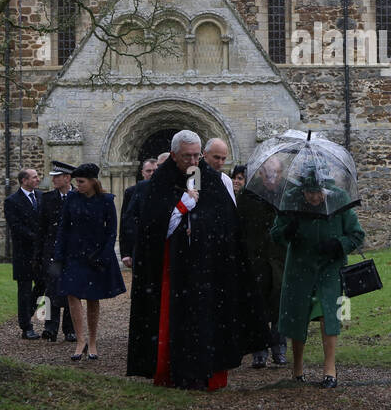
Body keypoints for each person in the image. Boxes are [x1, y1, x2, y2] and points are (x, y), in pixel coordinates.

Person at [126, 130, 266, 390]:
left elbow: (225, 223)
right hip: (171, 267)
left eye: (196, 155)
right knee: (171, 318)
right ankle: (171, 372)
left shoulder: (209, 180)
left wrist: (199, 228)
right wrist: (181, 209)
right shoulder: (160, 181)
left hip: (207, 267)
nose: (192, 161)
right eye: (186, 156)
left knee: (207, 317)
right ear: (175, 155)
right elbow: (153, 227)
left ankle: (207, 373)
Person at [271, 168, 364, 388]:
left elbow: (357, 234)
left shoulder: (339, 198)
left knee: (329, 316)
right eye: (309, 192)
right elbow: (275, 234)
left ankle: (330, 370)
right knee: (297, 316)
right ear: (302, 190)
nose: (314, 197)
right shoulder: (291, 199)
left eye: (318, 192)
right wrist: (288, 230)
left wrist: (338, 245)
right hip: (299, 268)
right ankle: (297, 369)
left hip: (329, 269)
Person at [54, 163, 125, 361]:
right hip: (74, 253)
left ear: (93, 181)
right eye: (77, 182)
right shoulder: (71, 198)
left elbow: (112, 231)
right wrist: (58, 254)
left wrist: (104, 254)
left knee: (93, 297)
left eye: (82, 182)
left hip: (96, 254)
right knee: (72, 294)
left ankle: (92, 341)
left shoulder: (106, 200)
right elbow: (63, 227)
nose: (78, 185)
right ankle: (80, 340)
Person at [236, 158, 288, 367]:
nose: (271, 179)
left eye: (275, 174)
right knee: (257, 305)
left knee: (279, 304)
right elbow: (239, 226)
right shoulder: (248, 196)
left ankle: (279, 347)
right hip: (255, 257)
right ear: (260, 175)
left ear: (281, 173)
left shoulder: (286, 195)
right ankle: (259, 349)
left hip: (280, 257)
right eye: (268, 175)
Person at [37, 160, 78, 342]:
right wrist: (39, 254)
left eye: (57, 177)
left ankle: (70, 329)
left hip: (72, 252)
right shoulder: (46, 199)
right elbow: (41, 228)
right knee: (49, 290)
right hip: (51, 251)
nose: (53, 180)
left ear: (67, 178)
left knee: (72, 290)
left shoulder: (79, 197)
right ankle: (48, 327)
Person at [4, 167, 44, 339]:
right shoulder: (12, 201)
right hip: (24, 252)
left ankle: (44, 321)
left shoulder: (42, 197)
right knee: (25, 289)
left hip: (41, 252)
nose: (37, 179)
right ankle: (26, 326)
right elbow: (16, 226)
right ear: (24, 180)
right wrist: (35, 237)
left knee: (44, 286)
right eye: (34, 177)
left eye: (37, 177)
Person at [119, 157, 157, 267]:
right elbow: (125, 221)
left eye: (155, 170)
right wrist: (125, 253)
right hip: (138, 245)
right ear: (142, 173)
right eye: (148, 171)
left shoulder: (165, 191)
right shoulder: (131, 192)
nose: (152, 173)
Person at [203, 137, 236, 203]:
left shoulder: (226, 181)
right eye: (216, 157)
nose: (220, 163)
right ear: (205, 154)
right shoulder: (193, 178)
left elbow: (232, 209)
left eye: (223, 159)